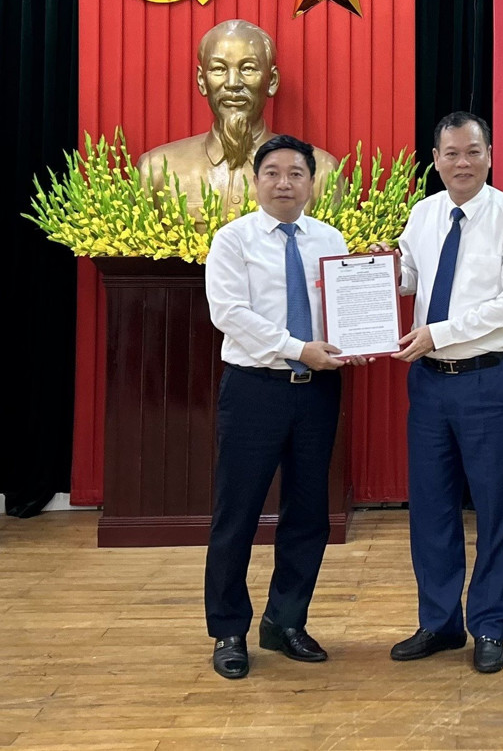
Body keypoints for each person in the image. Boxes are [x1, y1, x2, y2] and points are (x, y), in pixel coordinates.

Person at [203, 134, 366, 680]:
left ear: (311, 183)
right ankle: (229, 629)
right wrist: (301, 349)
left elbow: (344, 308)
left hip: (317, 393)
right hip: (255, 388)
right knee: (238, 513)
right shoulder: (233, 240)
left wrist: (357, 342)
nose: (284, 183)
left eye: (296, 173)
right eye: (272, 172)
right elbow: (229, 314)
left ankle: (285, 621)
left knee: (308, 513)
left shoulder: (330, 237)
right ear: (254, 181)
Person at [388, 110, 503, 674]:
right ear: (436, 160)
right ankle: (439, 622)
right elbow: (409, 280)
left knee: (496, 509)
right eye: (451, 154)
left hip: (489, 380)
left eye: (473, 152)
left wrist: (438, 334)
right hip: (430, 385)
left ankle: (490, 626)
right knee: (430, 508)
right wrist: (371, 273)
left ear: (490, 155)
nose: (462, 163)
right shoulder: (423, 214)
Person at [137, 19, 339, 224]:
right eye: (219, 69)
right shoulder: (156, 170)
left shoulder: (320, 172)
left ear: (271, 81)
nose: (233, 83)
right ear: (202, 81)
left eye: (248, 69)